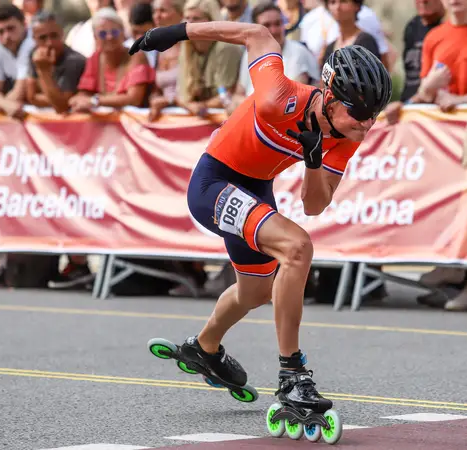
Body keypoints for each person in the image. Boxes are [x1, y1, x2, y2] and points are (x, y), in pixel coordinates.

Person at [129, 21, 390, 411]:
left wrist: (313, 161)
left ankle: (204, 347)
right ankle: (292, 374)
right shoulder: (278, 97)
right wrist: (178, 32)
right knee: (297, 248)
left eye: (375, 114)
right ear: (330, 96)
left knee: (255, 292)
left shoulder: (347, 136)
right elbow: (257, 34)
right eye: (360, 112)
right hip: (214, 182)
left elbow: (315, 204)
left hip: (255, 188)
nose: (367, 123)